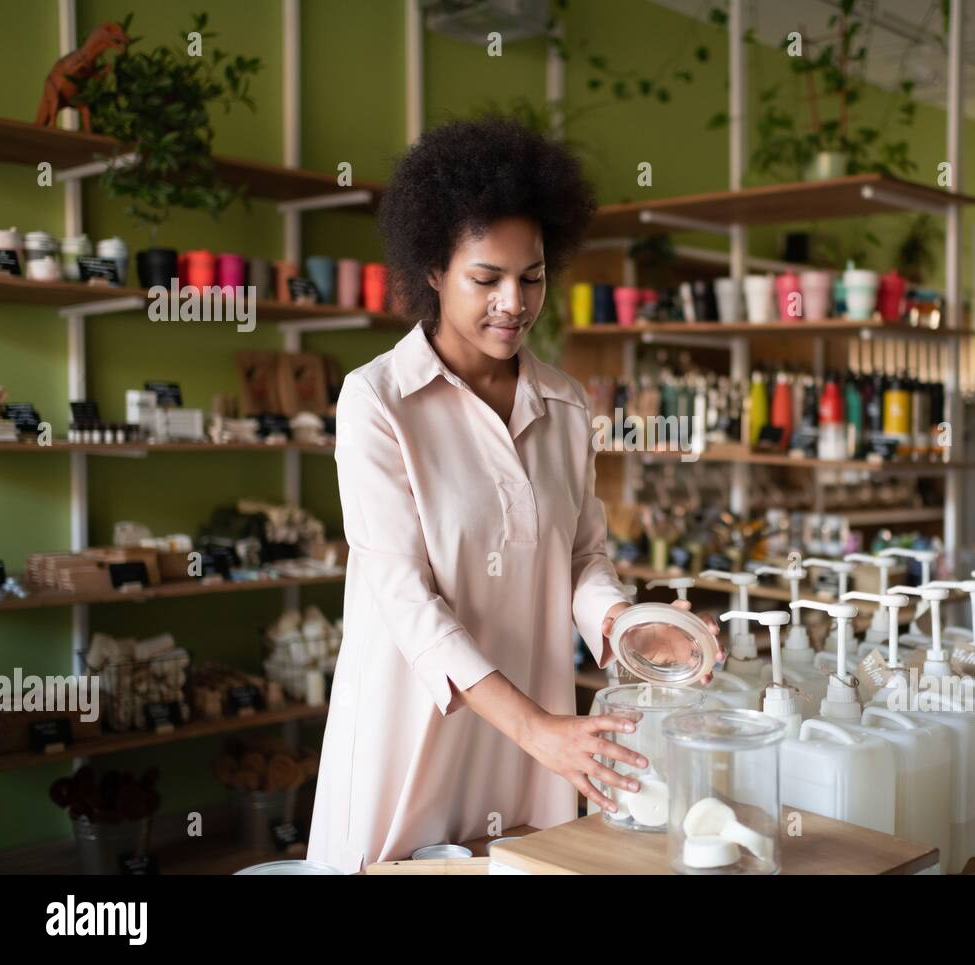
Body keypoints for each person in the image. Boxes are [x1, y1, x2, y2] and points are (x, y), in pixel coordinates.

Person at [307, 117, 720, 872]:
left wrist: (629, 624)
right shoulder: (378, 401)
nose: (513, 302)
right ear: (432, 269)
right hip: (416, 735)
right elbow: (405, 597)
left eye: (531, 277)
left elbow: (583, 556)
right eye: (486, 278)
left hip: (535, 750)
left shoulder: (563, 403)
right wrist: (534, 726)